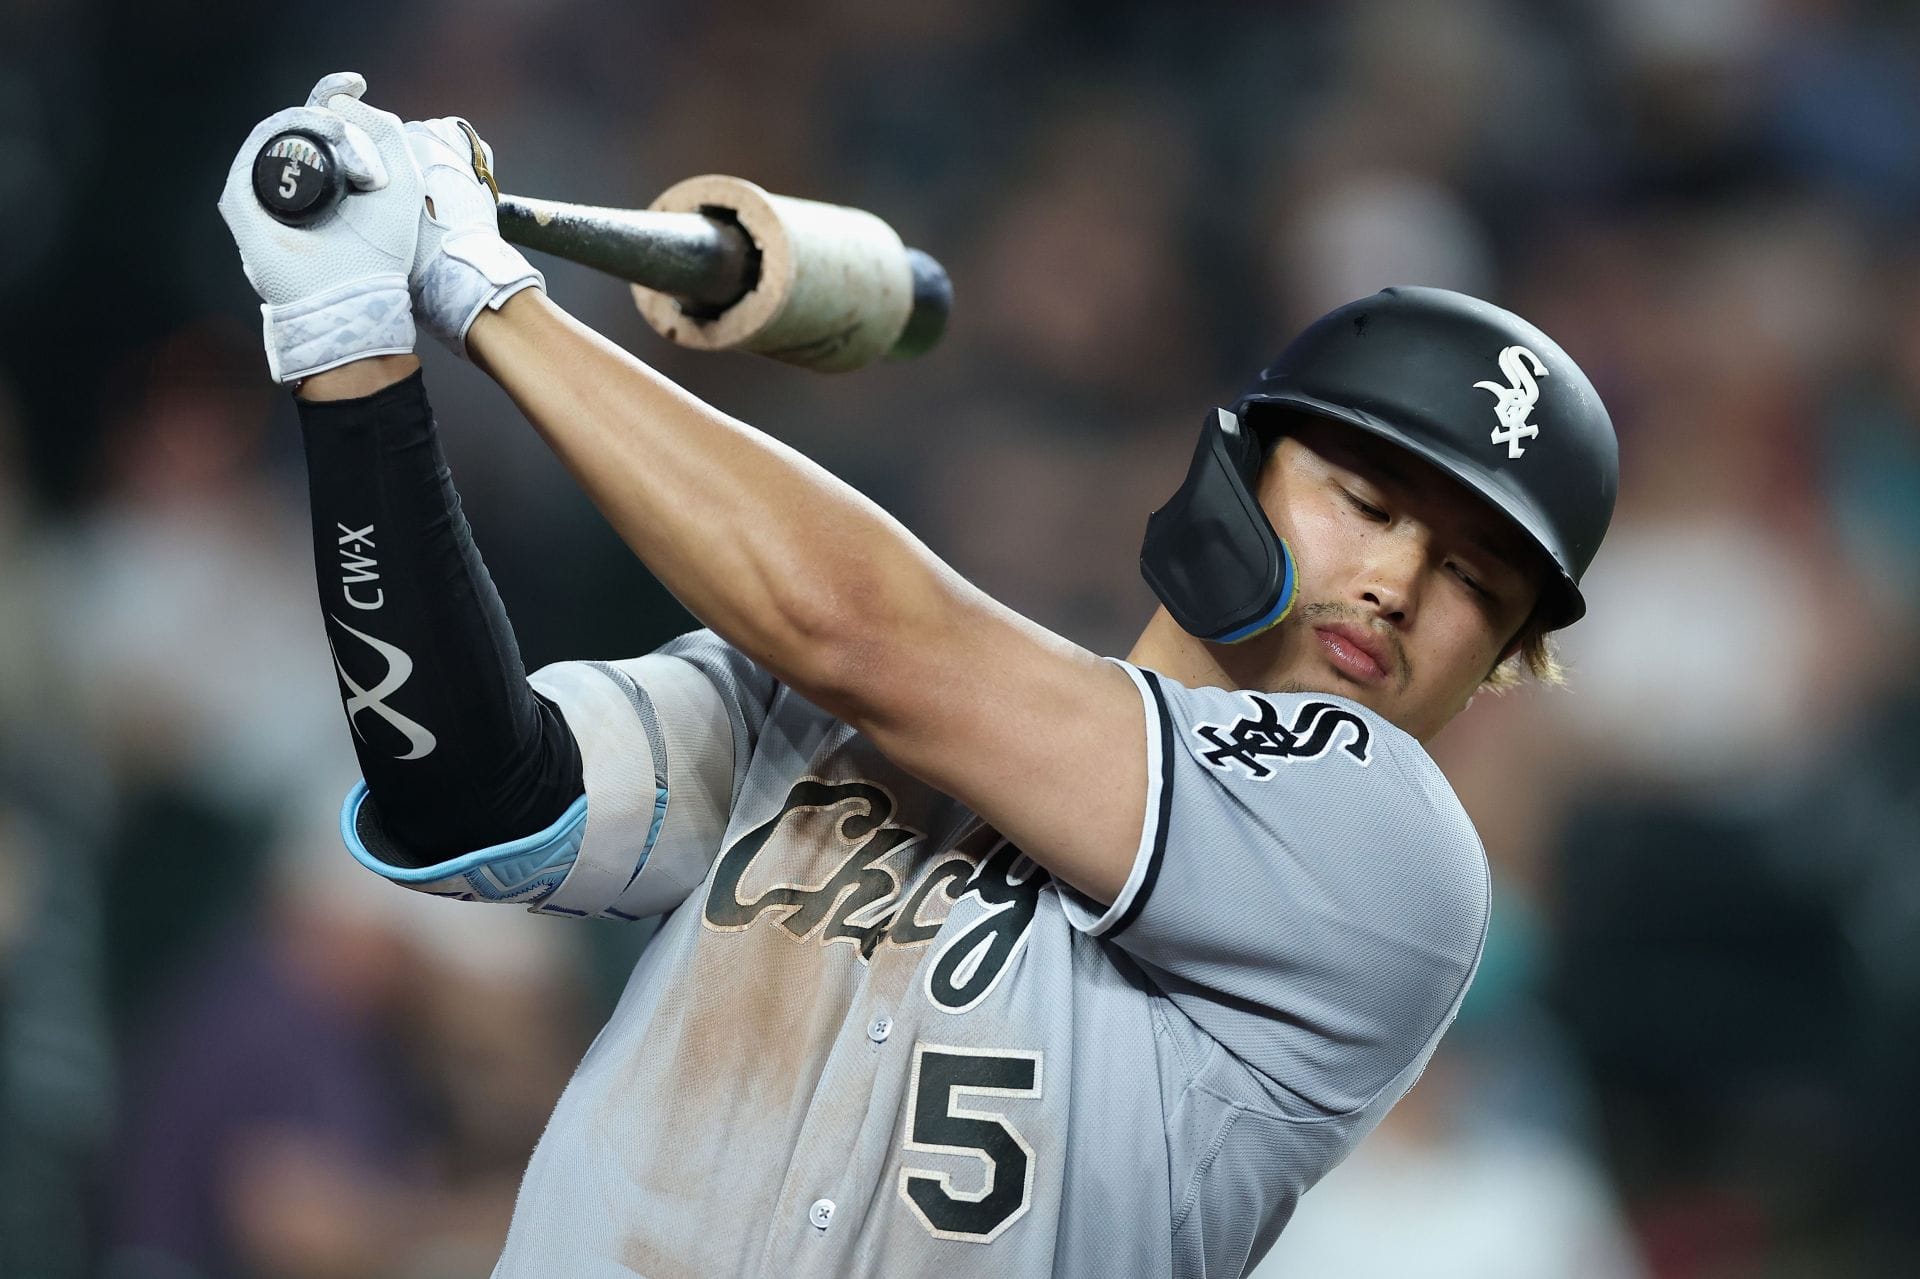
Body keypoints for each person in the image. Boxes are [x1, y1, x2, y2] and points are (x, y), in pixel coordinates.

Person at [216, 74, 1618, 1277]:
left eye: (1477, 588)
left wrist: (481, 289)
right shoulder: (827, 708)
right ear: (1241, 469)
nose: (1399, 585)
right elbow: (471, 789)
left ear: (1494, 670)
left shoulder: (1392, 866)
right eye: (1368, 503)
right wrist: (351, 345)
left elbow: (863, 628)